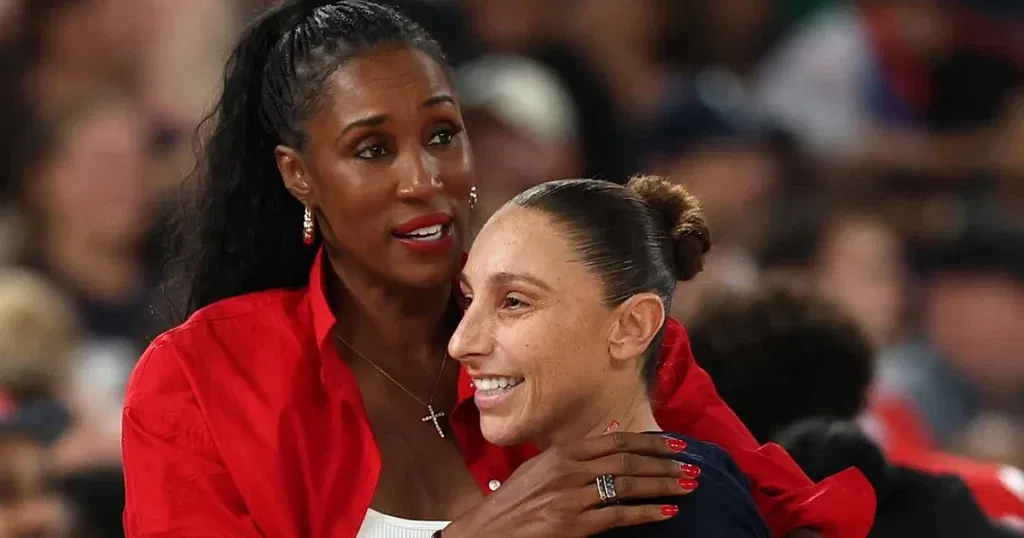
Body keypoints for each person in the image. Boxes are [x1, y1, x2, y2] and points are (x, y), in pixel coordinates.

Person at [121, 2, 873, 537]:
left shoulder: (595, 321)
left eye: (443, 135)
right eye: (372, 149)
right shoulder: (199, 381)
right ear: (299, 176)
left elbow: (788, 508)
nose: (424, 179)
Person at [449, 175, 772, 537]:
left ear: (632, 326)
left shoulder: (687, 515)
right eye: (467, 299)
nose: (461, 343)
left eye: (513, 302)